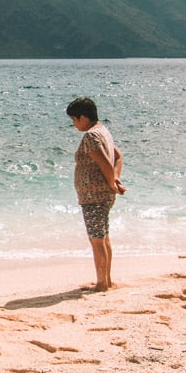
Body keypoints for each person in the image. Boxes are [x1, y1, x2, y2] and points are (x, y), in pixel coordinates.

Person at [67, 96, 126, 292]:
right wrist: (115, 180)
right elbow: (118, 157)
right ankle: (106, 280)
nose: (74, 124)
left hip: (94, 195)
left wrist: (112, 181)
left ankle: (102, 283)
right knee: (103, 236)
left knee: (97, 239)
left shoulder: (91, 136)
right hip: (102, 194)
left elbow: (105, 163)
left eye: (74, 120)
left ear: (83, 117)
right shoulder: (103, 131)